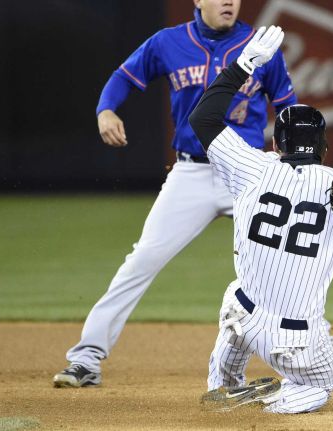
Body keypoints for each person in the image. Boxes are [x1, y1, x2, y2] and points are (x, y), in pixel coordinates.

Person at [53, 0, 297, 388]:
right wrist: (106, 110)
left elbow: (288, 108)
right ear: (198, 0)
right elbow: (123, 77)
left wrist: (294, 157)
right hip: (192, 172)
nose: (229, 1)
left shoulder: (260, 44)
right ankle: (86, 358)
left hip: (248, 170)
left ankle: (310, 353)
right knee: (142, 261)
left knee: (290, 260)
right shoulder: (168, 42)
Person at [189, 26, 333, 414]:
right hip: (296, 343)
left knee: (238, 293)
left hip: (246, 319)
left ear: (276, 144)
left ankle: (225, 382)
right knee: (319, 385)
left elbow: (202, 118)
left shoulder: (252, 165)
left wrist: (244, 64)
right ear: (325, 147)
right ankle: (277, 400)